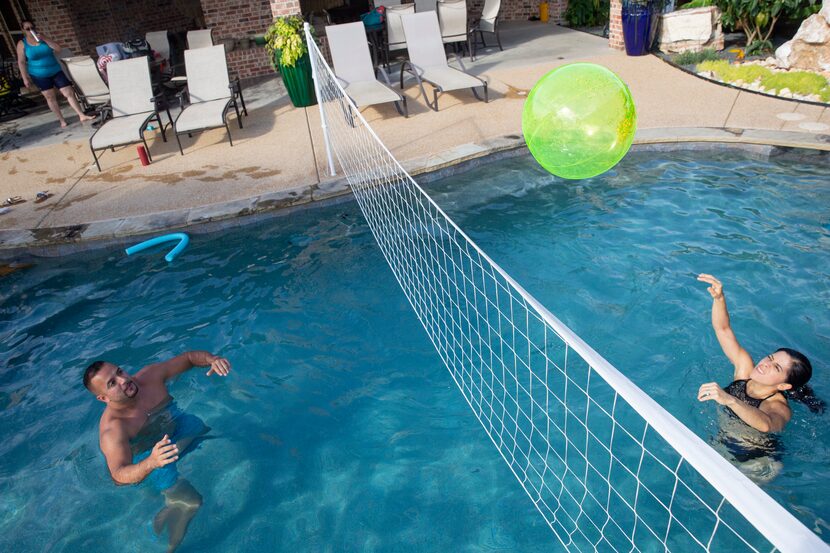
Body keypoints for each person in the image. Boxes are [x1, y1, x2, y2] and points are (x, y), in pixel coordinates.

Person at [83, 351, 231, 552]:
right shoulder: (113, 429)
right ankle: (168, 547)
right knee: (193, 502)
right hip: (150, 458)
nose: (123, 380)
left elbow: (188, 359)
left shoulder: (149, 377)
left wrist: (212, 360)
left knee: (203, 427)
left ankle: (172, 505)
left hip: (177, 429)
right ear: (103, 398)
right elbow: (118, 476)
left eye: (119, 371)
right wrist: (152, 462)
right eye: (112, 383)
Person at [696, 274, 816, 433]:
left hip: (755, 456)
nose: (766, 364)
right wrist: (719, 299)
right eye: (771, 358)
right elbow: (723, 329)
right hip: (722, 438)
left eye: (776, 367)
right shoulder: (744, 370)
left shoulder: (778, 406)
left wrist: (730, 400)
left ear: (783, 386)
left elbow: (768, 425)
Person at [16, 19, 94, 127]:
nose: (31, 30)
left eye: (32, 27)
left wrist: (45, 39)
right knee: (50, 97)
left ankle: (81, 115)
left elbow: (58, 49)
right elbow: (21, 61)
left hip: (55, 70)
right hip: (38, 74)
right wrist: (24, 78)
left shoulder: (42, 38)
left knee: (68, 92)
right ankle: (62, 120)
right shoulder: (22, 44)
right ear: (23, 30)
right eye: (28, 29)